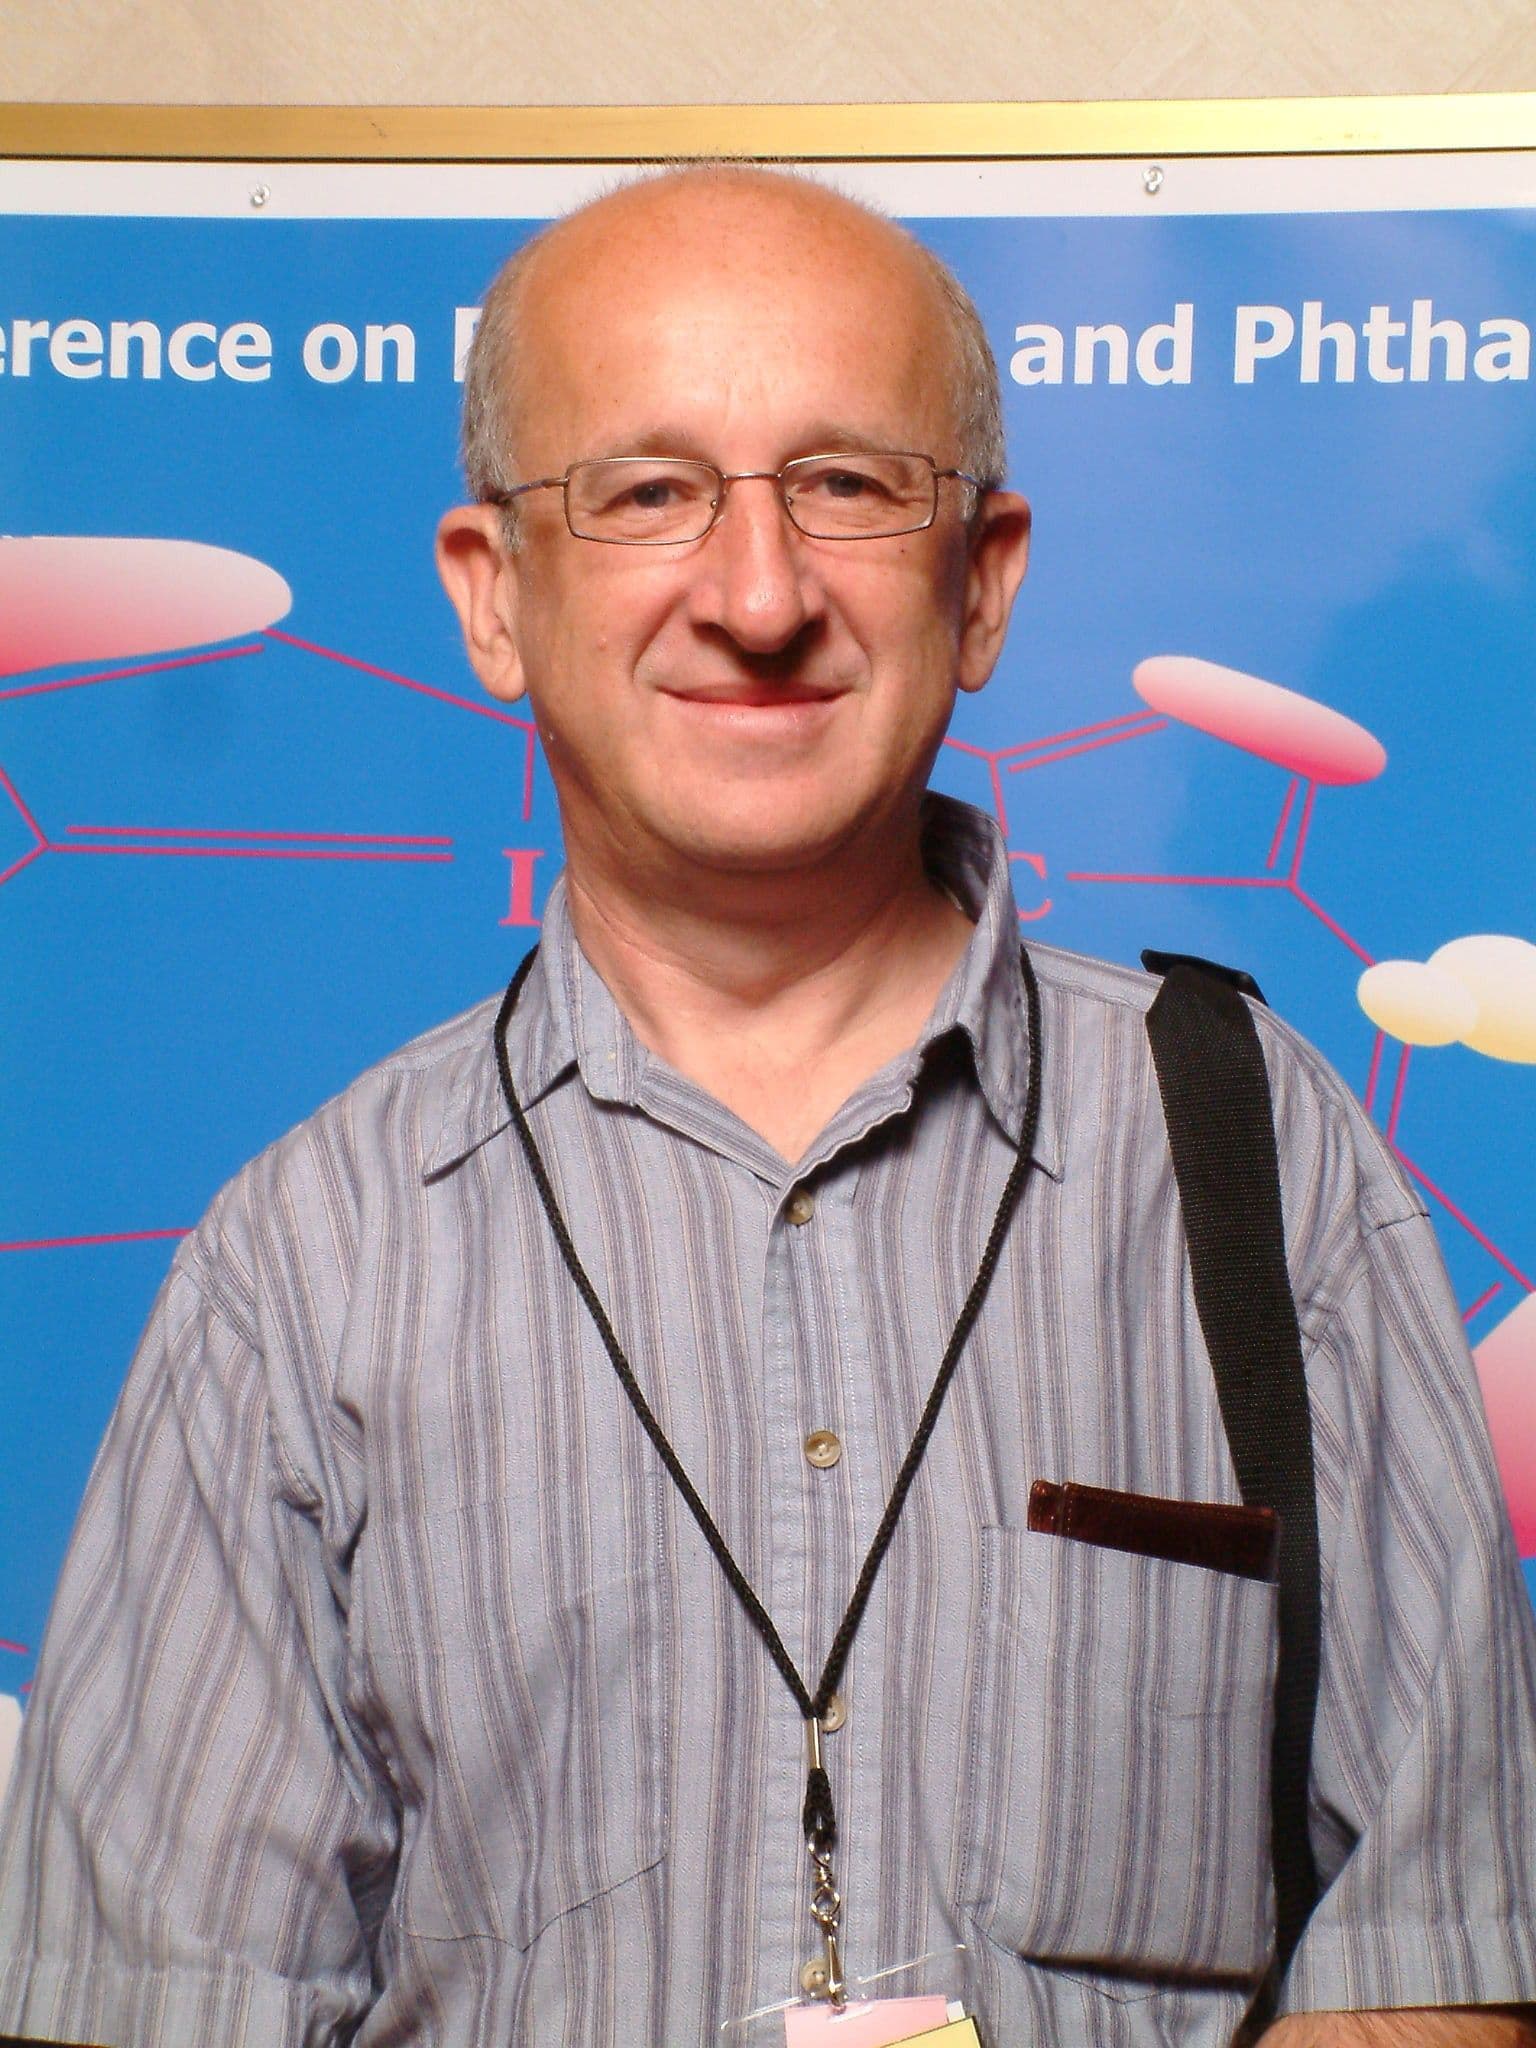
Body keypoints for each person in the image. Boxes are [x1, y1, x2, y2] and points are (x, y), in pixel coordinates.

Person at [1, 163, 1534, 2048]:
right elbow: (161, 2014)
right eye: (646, 493)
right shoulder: (299, 1270)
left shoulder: (1260, 1159)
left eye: (850, 486)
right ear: (494, 596)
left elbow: (1431, 1959)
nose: (756, 595)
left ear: (984, 579)